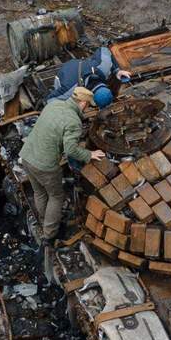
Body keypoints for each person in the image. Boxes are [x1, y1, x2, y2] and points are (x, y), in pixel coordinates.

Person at [19, 85, 106, 245]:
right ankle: (49, 235)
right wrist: (89, 154)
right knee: (56, 196)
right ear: (82, 103)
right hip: (45, 166)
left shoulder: (53, 104)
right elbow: (71, 150)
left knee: (39, 192)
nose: (87, 109)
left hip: (27, 156)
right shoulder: (73, 121)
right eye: (87, 105)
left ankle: (44, 220)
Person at [50, 46, 130, 101]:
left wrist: (117, 71)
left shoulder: (104, 66)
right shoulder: (70, 88)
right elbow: (51, 99)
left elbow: (104, 49)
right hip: (64, 73)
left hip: (81, 65)